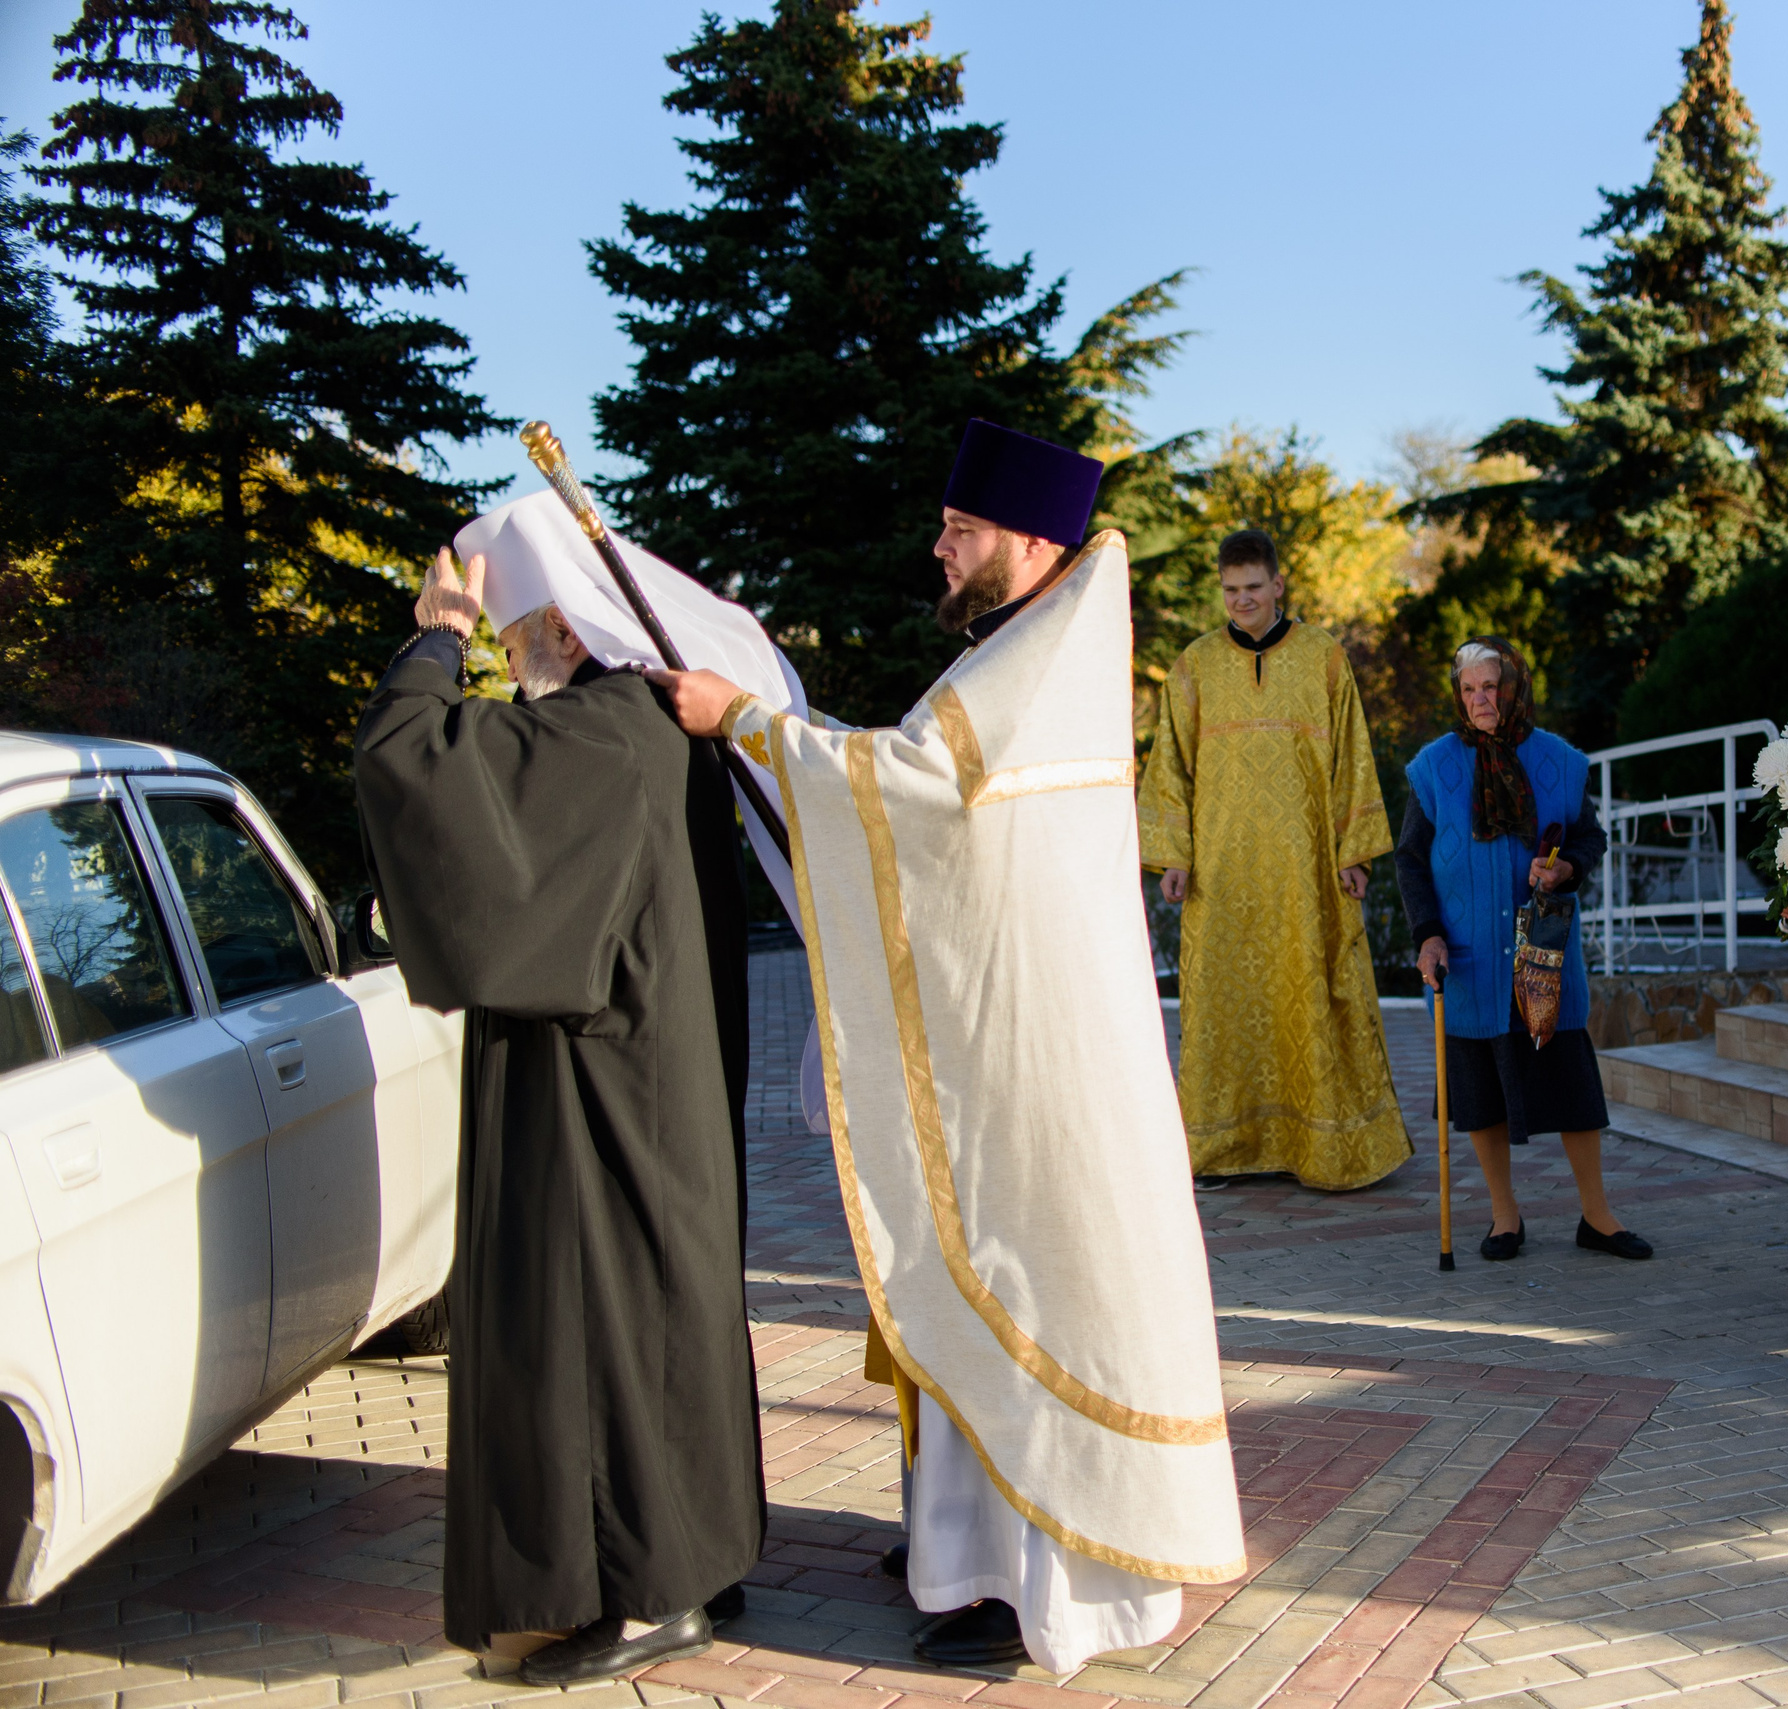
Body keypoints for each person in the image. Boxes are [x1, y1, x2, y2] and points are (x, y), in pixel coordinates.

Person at [650, 419, 1245, 1677]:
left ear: (1032, 542)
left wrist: (747, 719)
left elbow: (913, 783)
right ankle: (963, 1551)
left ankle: (1045, 1587)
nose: (939, 546)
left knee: (1028, 1277)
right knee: (985, 1267)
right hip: (1012, 1048)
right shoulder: (1019, 646)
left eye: (960, 531)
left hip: (1040, 1071)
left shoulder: (1038, 658)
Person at [351, 508, 778, 1679]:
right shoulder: (650, 728)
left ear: (560, 623)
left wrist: (430, 641)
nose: (506, 648)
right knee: (660, 1323)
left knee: (613, 1332)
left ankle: (652, 1596)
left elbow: (412, 765)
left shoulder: (598, 735)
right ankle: (696, 1561)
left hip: (604, 1103)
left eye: (511, 626)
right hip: (649, 1083)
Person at [1138, 528, 1410, 1190]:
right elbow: (1169, 762)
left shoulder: (1323, 657)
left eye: (1253, 588)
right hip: (1221, 875)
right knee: (1224, 1004)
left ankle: (1321, 1146)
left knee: (1313, 994)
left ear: (1279, 585)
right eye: (1230, 591)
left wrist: (1355, 852)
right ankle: (1226, 1148)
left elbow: (1351, 754)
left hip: (1306, 871)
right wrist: (1173, 854)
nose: (1241, 601)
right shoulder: (1194, 665)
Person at [1395, 638, 1649, 1263]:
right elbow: (1409, 860)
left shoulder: (1559, 761)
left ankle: (1597, 1216)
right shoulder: (1433, 768)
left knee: (1570, 1088)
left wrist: (1567, 871)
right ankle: (1504, 1216)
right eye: (1469, 689)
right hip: (1469, 958)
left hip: (1544, 957)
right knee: (1479, 1094)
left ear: (1516, 688)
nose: (1482, 700)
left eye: (1493, 687)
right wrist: (1426, 933)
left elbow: (1590, 837)